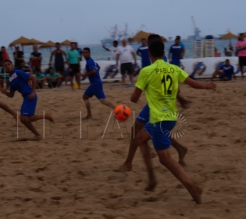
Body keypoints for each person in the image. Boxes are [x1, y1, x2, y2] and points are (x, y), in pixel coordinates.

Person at [130, 40, 216, 203]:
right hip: (171, 117)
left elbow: (134, 99)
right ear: (164, 54)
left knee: (165, 159)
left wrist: (138, 95)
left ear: (149, 55)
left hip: (159, 120)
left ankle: (192, 188)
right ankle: (153, 178)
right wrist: (206, 86)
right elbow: (193, 84)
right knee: (140, 138)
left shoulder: (146, 71)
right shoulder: (174, 68)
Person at [116, 34, 190, 173]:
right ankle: (180, 149)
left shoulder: (161, 60)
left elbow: (169, 84)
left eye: (147, 43)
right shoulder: (157, 58)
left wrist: (179, 98)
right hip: (156, 102)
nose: (146, 46)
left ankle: (128, 163)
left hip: (157, 104)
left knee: (138, 129)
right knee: (157, 131)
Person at [1, 60, 54, 139]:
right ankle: (37, 135)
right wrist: (5, 92)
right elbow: (11, 95)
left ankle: (46, 116)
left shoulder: (18, 72)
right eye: (5, 65)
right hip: (25, 98)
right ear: (4, 68)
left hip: (30, 96)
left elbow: (33, 78)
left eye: (9, 64)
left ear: (12, 65)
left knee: (25, 118)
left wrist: (33, 92)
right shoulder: (10, 80)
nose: (7, 66)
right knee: (22, 119)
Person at [80, 47, 115, 119]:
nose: (85, 54)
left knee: (103, 101)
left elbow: (93, 71)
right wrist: (95, 76)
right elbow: (98, 67)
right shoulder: (91, 60)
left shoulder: (89, 61)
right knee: (85, 97)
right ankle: (89, 115)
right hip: (94, 84)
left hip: (96, 84)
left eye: (86, 53)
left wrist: (84, 75)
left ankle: (117, 109)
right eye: (84, 53)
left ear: (89, 53)